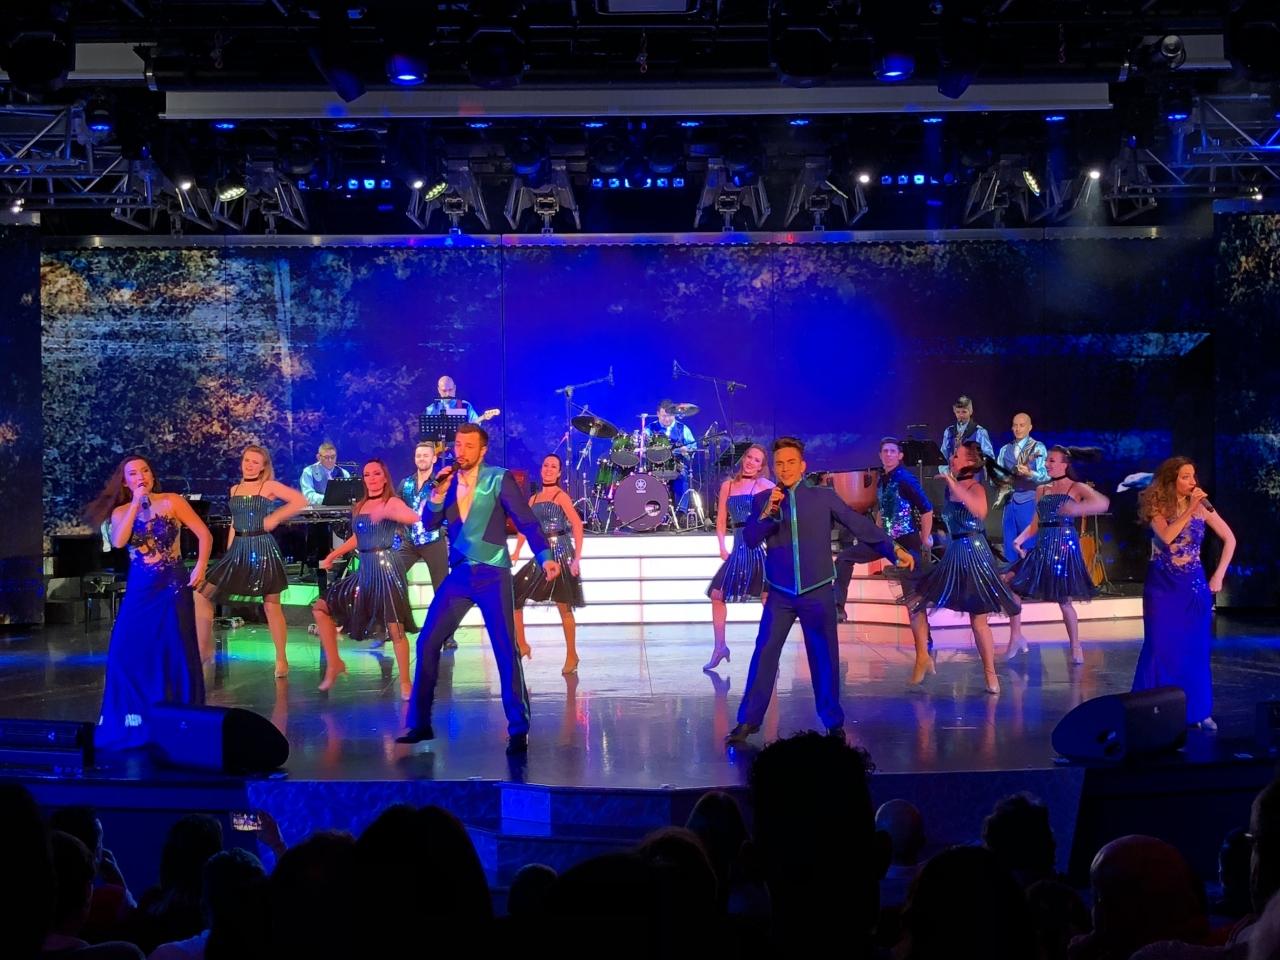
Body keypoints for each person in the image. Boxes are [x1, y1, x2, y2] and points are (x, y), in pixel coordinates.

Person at [726, 437, 913, 745]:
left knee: (824, 657)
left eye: (791, 462)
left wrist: (893, 550)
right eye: (780, 464)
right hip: (780, 593)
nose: (785, 468)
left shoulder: (822, 496)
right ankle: (748, 720)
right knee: (765, 653)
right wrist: (769, 512)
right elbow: (750, 539)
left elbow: (857, 523)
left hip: (818, 590)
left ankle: (832, 721)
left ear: (802, 466)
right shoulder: (763, 500)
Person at [398, 423, 561, 755]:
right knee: (427, 641)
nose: (461, 451)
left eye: (469, 446)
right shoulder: (447, 481)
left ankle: (518, 728)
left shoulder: (498, 479)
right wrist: (437, 495)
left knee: (505, 649)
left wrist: (545, 556)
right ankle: (420, 723)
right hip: (460, 575)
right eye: (458, 445)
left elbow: (527, 521)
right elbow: (428, 523)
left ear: (482, 450)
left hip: (492, 574)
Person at [85, 456, 211, 750]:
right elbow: (119, 541)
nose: (141, 476)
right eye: (133, 473)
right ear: (125, 481)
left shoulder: (172, 501)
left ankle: (181, 716)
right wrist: (135, 503)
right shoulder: (120, 512)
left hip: (172, 586)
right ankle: (134, 716)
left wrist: (201, 566)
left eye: (145, 470)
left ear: (152, 475)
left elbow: (204, 534)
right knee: (124, 649)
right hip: (141, 588)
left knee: (175, 648)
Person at [903, 440, 1020, 696]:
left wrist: (953, 483)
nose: (951, 459)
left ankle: (990, 674)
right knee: (916, 603)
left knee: (978, 619)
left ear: (969, 461)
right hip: (954, 554)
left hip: (975, 554)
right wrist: (933, 537)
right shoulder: (951, 488)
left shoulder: (975, 487)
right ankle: (923, 656)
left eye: (956, 456)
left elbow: (979, 512)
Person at [1132, 456, 1236, 730]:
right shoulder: (1157, 505)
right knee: (1159, 647)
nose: (1192, 482)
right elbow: (1166, 537)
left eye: (1193, 476)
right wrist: (1190, 509)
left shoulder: (1202, 507)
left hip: (1192, 587)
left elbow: (1230, 538)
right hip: (1161, 588)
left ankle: (1198, 711)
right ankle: (1153, 710)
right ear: (1171, 480)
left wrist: (1219, 574)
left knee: (1195, 650)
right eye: (1185, 476)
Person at [311, 459, 421, 697]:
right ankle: (334, 663)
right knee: (320, 608)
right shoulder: (360, 506)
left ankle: (405, 681)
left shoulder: (392, 501)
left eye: (376, 474)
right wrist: (333, 555)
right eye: (367, 474)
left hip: (387, 567)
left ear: (385, 478)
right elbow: (357, 538)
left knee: (395, 628)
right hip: (366, 569)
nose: (371, 478)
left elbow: (413, 517)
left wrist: (388, 511)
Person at [194, 445, 307, 676]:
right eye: (247, 460)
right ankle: (204, 649)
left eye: (255, 462)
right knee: (202, 592)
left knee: (271, 605)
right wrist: (229, 551)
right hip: (239, 548)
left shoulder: (268, 486)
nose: (250, 465)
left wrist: (275, 517)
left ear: (263, 466)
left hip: (262, 547)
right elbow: (234, 523)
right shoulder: (234, 489)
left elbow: (299, 500)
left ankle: (281, 658)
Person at [1004, 446, 1110, 664]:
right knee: (1011, 584)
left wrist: (1077, 510)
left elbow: (1103, 503)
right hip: (1043, 548)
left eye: (1052, 461)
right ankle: (1016, 636)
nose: (1047, 464)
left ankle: (1075, 645)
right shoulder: (1042, 490)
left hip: (1063, 548)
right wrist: (1019, 540)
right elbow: (1036, 523)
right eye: (1047, 461)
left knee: (1064, 601)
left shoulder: (1075, 487)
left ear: (1064, 464)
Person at [853, 437, 936, 688]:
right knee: (914, 602)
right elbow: (883, 511)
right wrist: (877, 532)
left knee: (914, 602)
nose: (888, 454)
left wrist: (925, 539)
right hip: (892, 544)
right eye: (885, 451)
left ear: (900, 455)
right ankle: (926, 651)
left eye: (893, 451)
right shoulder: (884, 479)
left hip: (908, 543)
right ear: (880, 455)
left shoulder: (905, 479)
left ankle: (922, 656)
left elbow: (927, 508)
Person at [511, 453, 586, 676]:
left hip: (561, 551)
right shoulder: (533, 499)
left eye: (553, 466)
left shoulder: (561, 496)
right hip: (543, 554)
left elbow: (577, 525)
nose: (548, 469)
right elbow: (526, 528)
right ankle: (522, 644)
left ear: (559, 472)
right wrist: (517, 551)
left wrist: (577, 558)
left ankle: (572, 654)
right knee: (514, 592)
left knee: (564, 605)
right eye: (546, 465)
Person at [704, 443, 773, 672]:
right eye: (749, 457)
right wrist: (721, 546)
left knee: (767, 599)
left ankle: (769, 654)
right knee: (717, 594)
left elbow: (782, 502)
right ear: (744, 458)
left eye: (757, 460)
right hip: (738, 549)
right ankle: (720, 647)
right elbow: (721, 520)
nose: (751, 462)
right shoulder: (728, 486)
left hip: (758, 549)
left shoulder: (763, 485)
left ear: (761, 466)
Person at [395, 441, 456, 651]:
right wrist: (399, 530)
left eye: (425, 455)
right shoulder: (406, 483)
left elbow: (449, 509)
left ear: (434, 458)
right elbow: (396, 508)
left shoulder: (440, 482)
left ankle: (447, 635)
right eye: (418, 455)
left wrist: (444, 531)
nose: (421, 459)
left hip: (433, 540)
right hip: (410, 542)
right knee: (391, 574)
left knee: (442, 589)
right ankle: (392, 627)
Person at [299, 441, 351, 594]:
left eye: (332, 457)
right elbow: (308, 495)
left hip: (340, 517)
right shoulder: (309, 472)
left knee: (350, 535)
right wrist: (329, 499)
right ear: (318, 457)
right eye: (326, 457)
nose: (330, 460)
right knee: (320, 545)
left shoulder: (343, 473)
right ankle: (321, 582)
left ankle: (342, 578)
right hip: (318, 518)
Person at [995, 412, 1050, 552]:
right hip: (1009, 502)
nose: (1018, 429)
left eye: (1022, 425)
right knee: (1009, 545)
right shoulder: (1005, 449)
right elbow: (997, 475)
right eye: (1015, 425)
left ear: (1030, 427)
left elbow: (1045, 476)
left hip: (1029, 501)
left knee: (1029, 544)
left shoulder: (1038, 447)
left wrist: (1030, 473)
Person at [650, 399, 698, 507]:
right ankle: (655, 511)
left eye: (670, 415)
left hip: (677, 466)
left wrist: (687, 450)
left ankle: (681, 511)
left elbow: (693, 447)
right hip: (655, 466)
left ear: (675, 414)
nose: (667, 419)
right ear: (658, 414)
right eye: (663, 416)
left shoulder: (683, 429)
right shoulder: (650, 428)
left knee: (683, 477)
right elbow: (643, 446)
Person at [939, 395, 994, 474]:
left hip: (973, 477)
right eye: (958, 412)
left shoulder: (980, 432)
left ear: (971, 412)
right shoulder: (949, 431)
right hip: (954, 477)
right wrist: (947, 472)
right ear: (954, 412)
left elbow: (989, 457)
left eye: (964, 412)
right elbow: (943, 456)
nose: (961, 415)